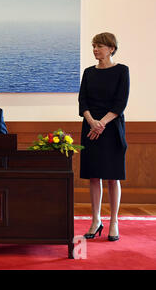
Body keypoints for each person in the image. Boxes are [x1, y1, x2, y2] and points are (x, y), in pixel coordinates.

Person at [78, 32, 130, 242]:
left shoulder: (122, 71)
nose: (95, 50)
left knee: (112, 176)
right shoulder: (89, 72)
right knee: (93, 175)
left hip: (112, 127)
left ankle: (114, 222)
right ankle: (96, 220)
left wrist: (102, 124)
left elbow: (120, 103)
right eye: (94, 46)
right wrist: (92, 122)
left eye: (99, 46)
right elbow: (83, 101)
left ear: (111, 48)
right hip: (90, 127)